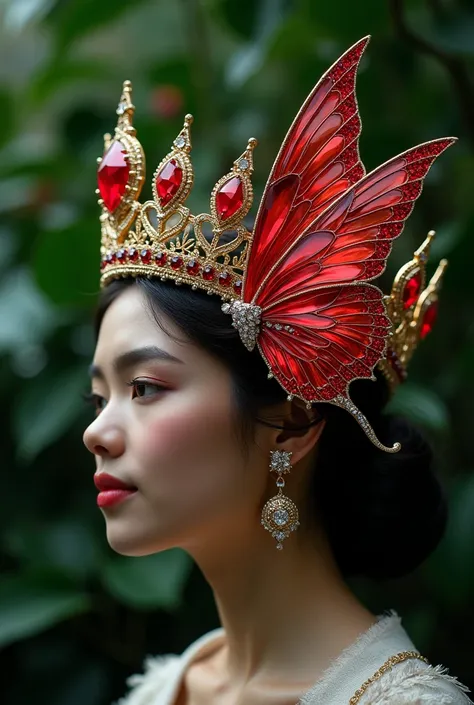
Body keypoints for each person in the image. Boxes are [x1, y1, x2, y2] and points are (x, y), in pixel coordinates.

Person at [83, 36, 471, 704]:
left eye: (143, 387)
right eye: (99, 398)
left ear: (291, 422)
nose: (97, 432)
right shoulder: (159, 690)